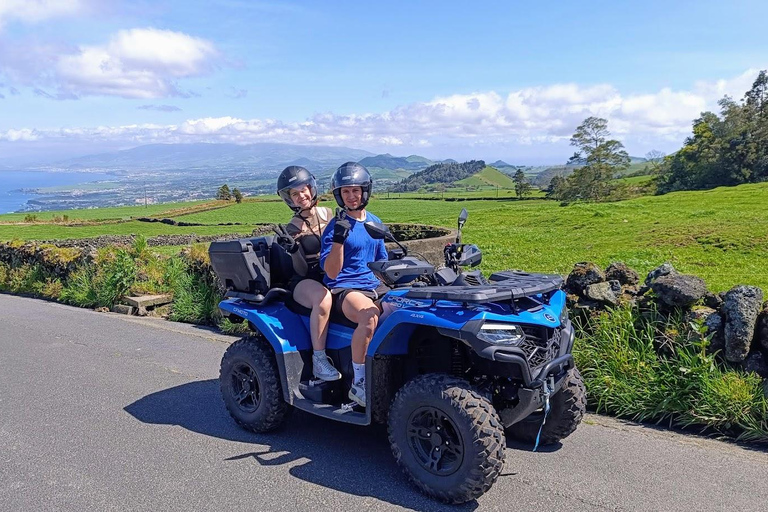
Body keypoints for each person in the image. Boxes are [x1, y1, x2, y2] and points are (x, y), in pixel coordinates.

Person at [320, 162, 389, 407]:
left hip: (374, 285)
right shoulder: (335, 227)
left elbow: (382, 263)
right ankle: (359, 384)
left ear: (365, 192)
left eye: (356, 190)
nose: (351, 196)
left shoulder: (374, 222)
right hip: (346, 288)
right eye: (346, 191)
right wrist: (339, 239)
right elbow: (331, 272)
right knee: (369, 316)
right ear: (339, 195)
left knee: (409, 308)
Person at [275, 165, 341, 382]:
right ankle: (319, 360)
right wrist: (294, 250)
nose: (300, 195)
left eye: (302, 189)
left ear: (311, 188)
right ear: (289, 199)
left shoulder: (330, 214)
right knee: (323, 300)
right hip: (305, 279)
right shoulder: (292, 228)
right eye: (294, 193)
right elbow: (301, 269)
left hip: (331, 274)